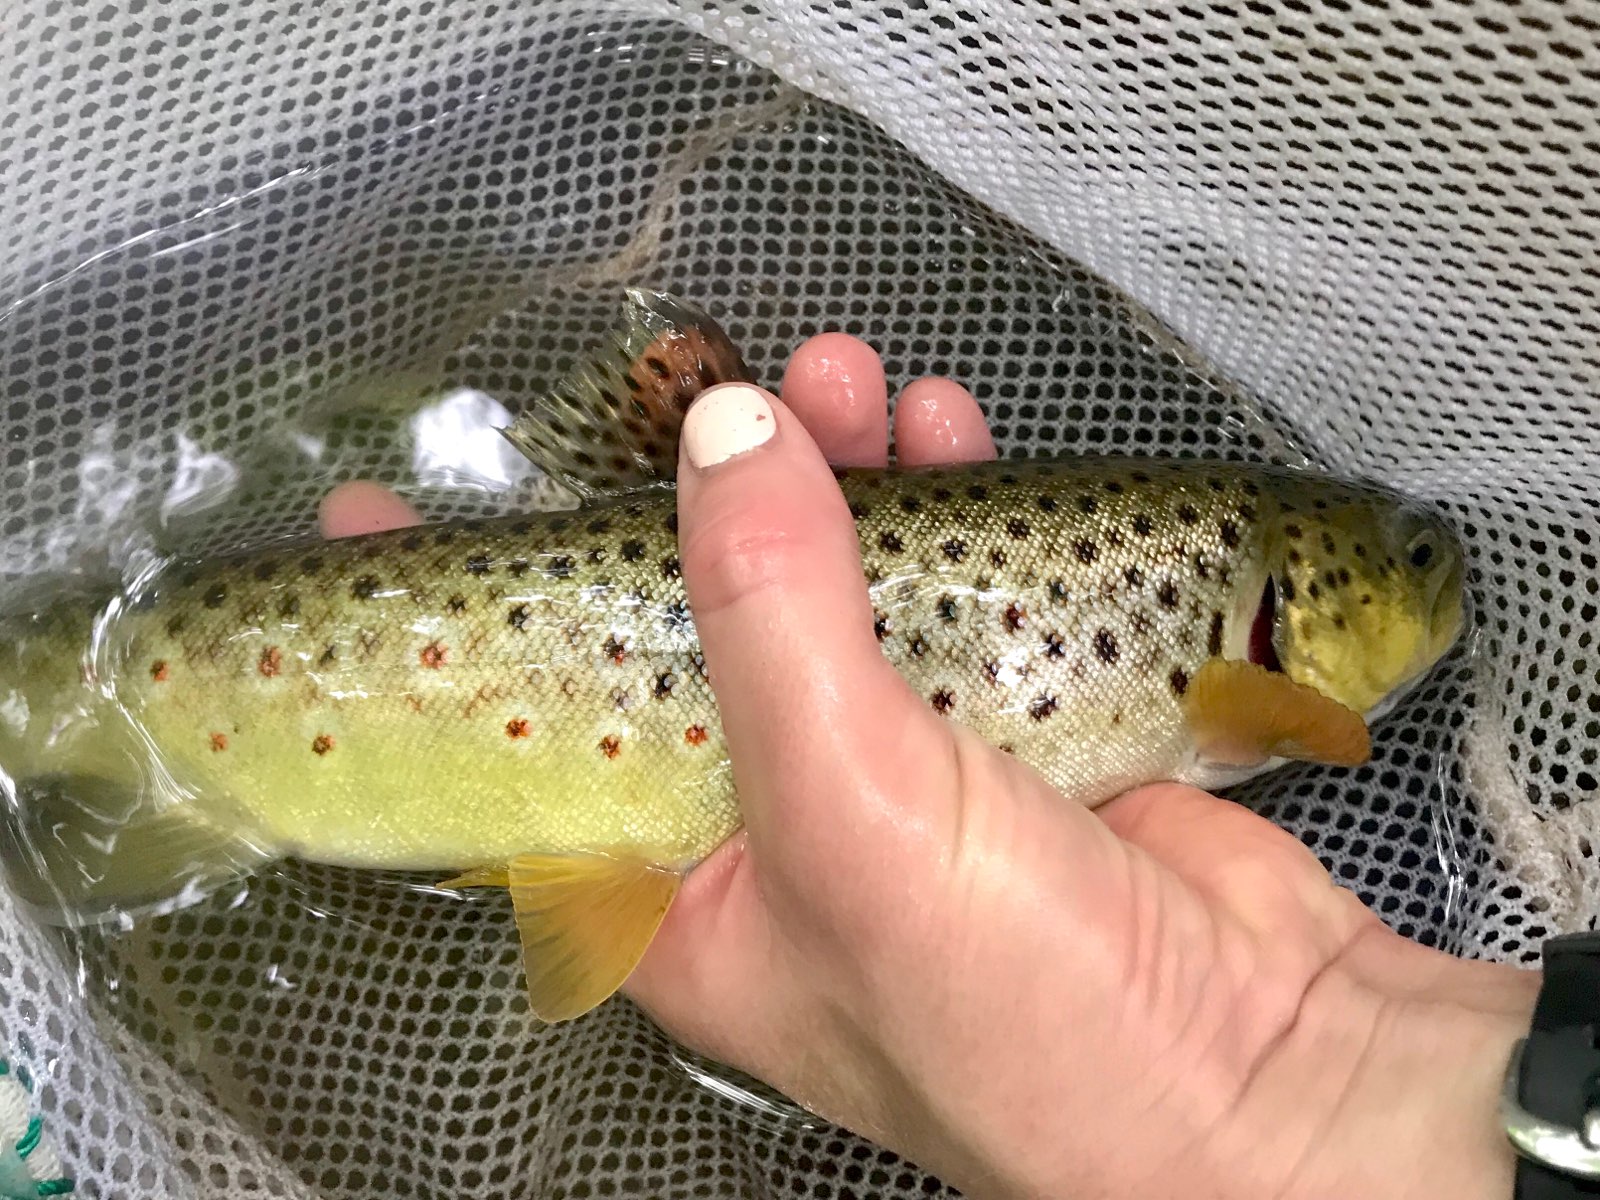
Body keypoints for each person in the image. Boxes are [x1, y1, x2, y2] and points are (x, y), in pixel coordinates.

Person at [323, 333, 1537, 1199]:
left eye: (1409, 556)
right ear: (1295, 594)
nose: (1432, 568)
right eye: (1408, 560)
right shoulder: (1269, 702)